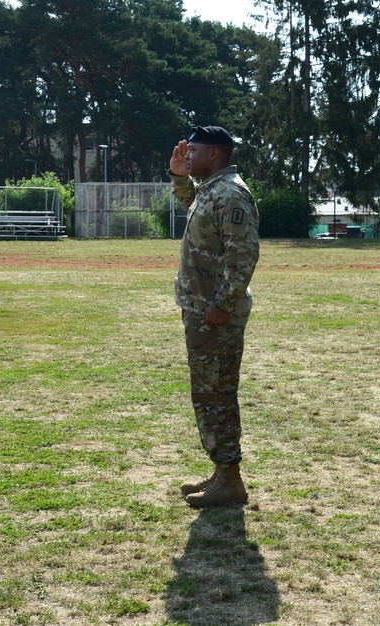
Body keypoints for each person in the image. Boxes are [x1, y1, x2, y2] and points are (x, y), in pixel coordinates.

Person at [168, 126, 260, 508]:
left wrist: (223, 304)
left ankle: (230, 479)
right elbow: (193, 208)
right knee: (208, 393)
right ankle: (223, 472)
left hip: (216, 315)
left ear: (216, 155)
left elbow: (244, 255)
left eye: (195, 151)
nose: (188, 155)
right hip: (202, 310)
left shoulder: (231, 193)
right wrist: (179, 176)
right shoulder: (212, 190)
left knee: (216, 394)